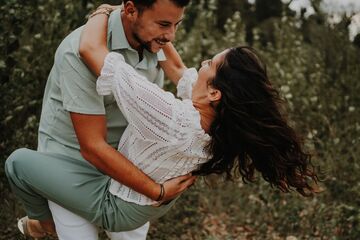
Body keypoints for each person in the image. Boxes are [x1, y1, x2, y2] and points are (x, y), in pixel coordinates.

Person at [5, 4, 319, 240]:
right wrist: (154, 29)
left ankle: (41, 223)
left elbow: (90, 49)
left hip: (128, 200)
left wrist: (102, 12)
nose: (200, 63)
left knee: (17, 162)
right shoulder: (220, 123)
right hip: (148, 201)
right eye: (167, 24)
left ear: (214, 92)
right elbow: (181, 71)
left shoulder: (169, 115)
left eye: (208, 63)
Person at [5, 1, 194, 239]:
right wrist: (157, 191)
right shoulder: (78, 50)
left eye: (177, 24)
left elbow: (179, 70)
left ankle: (43, 223)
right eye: (164, 24)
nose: (171, 35)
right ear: (131, 11)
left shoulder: (154, 39)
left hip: (126, 160)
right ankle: (44, 223)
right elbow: (92, 147)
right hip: (71, 162)